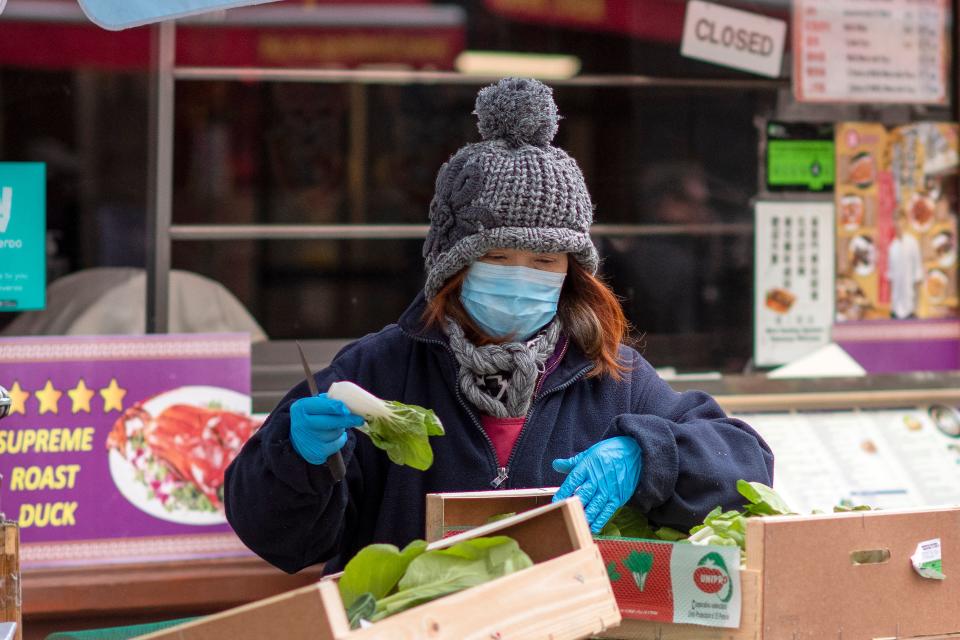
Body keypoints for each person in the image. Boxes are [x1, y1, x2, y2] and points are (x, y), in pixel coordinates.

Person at [224, 78, 773, 574]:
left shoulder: (610, 375)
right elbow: (278, 539)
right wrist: (299, 457)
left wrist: (646, 455)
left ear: (572, 273)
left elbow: (746, 467)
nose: (522, 277)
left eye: (544, 262)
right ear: (453, 265)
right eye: (499, 256)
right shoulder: (377, 371)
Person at [887, 210, 924, 319]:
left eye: (900, 220)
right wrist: (892, 305)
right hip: (896, 307)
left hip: (911, 306)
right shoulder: (892, 247)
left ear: (905, 222)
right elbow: (891, 278)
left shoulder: (912, 243)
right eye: (895, 220)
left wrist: (916, 307)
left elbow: (918, 276)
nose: (898, 224)